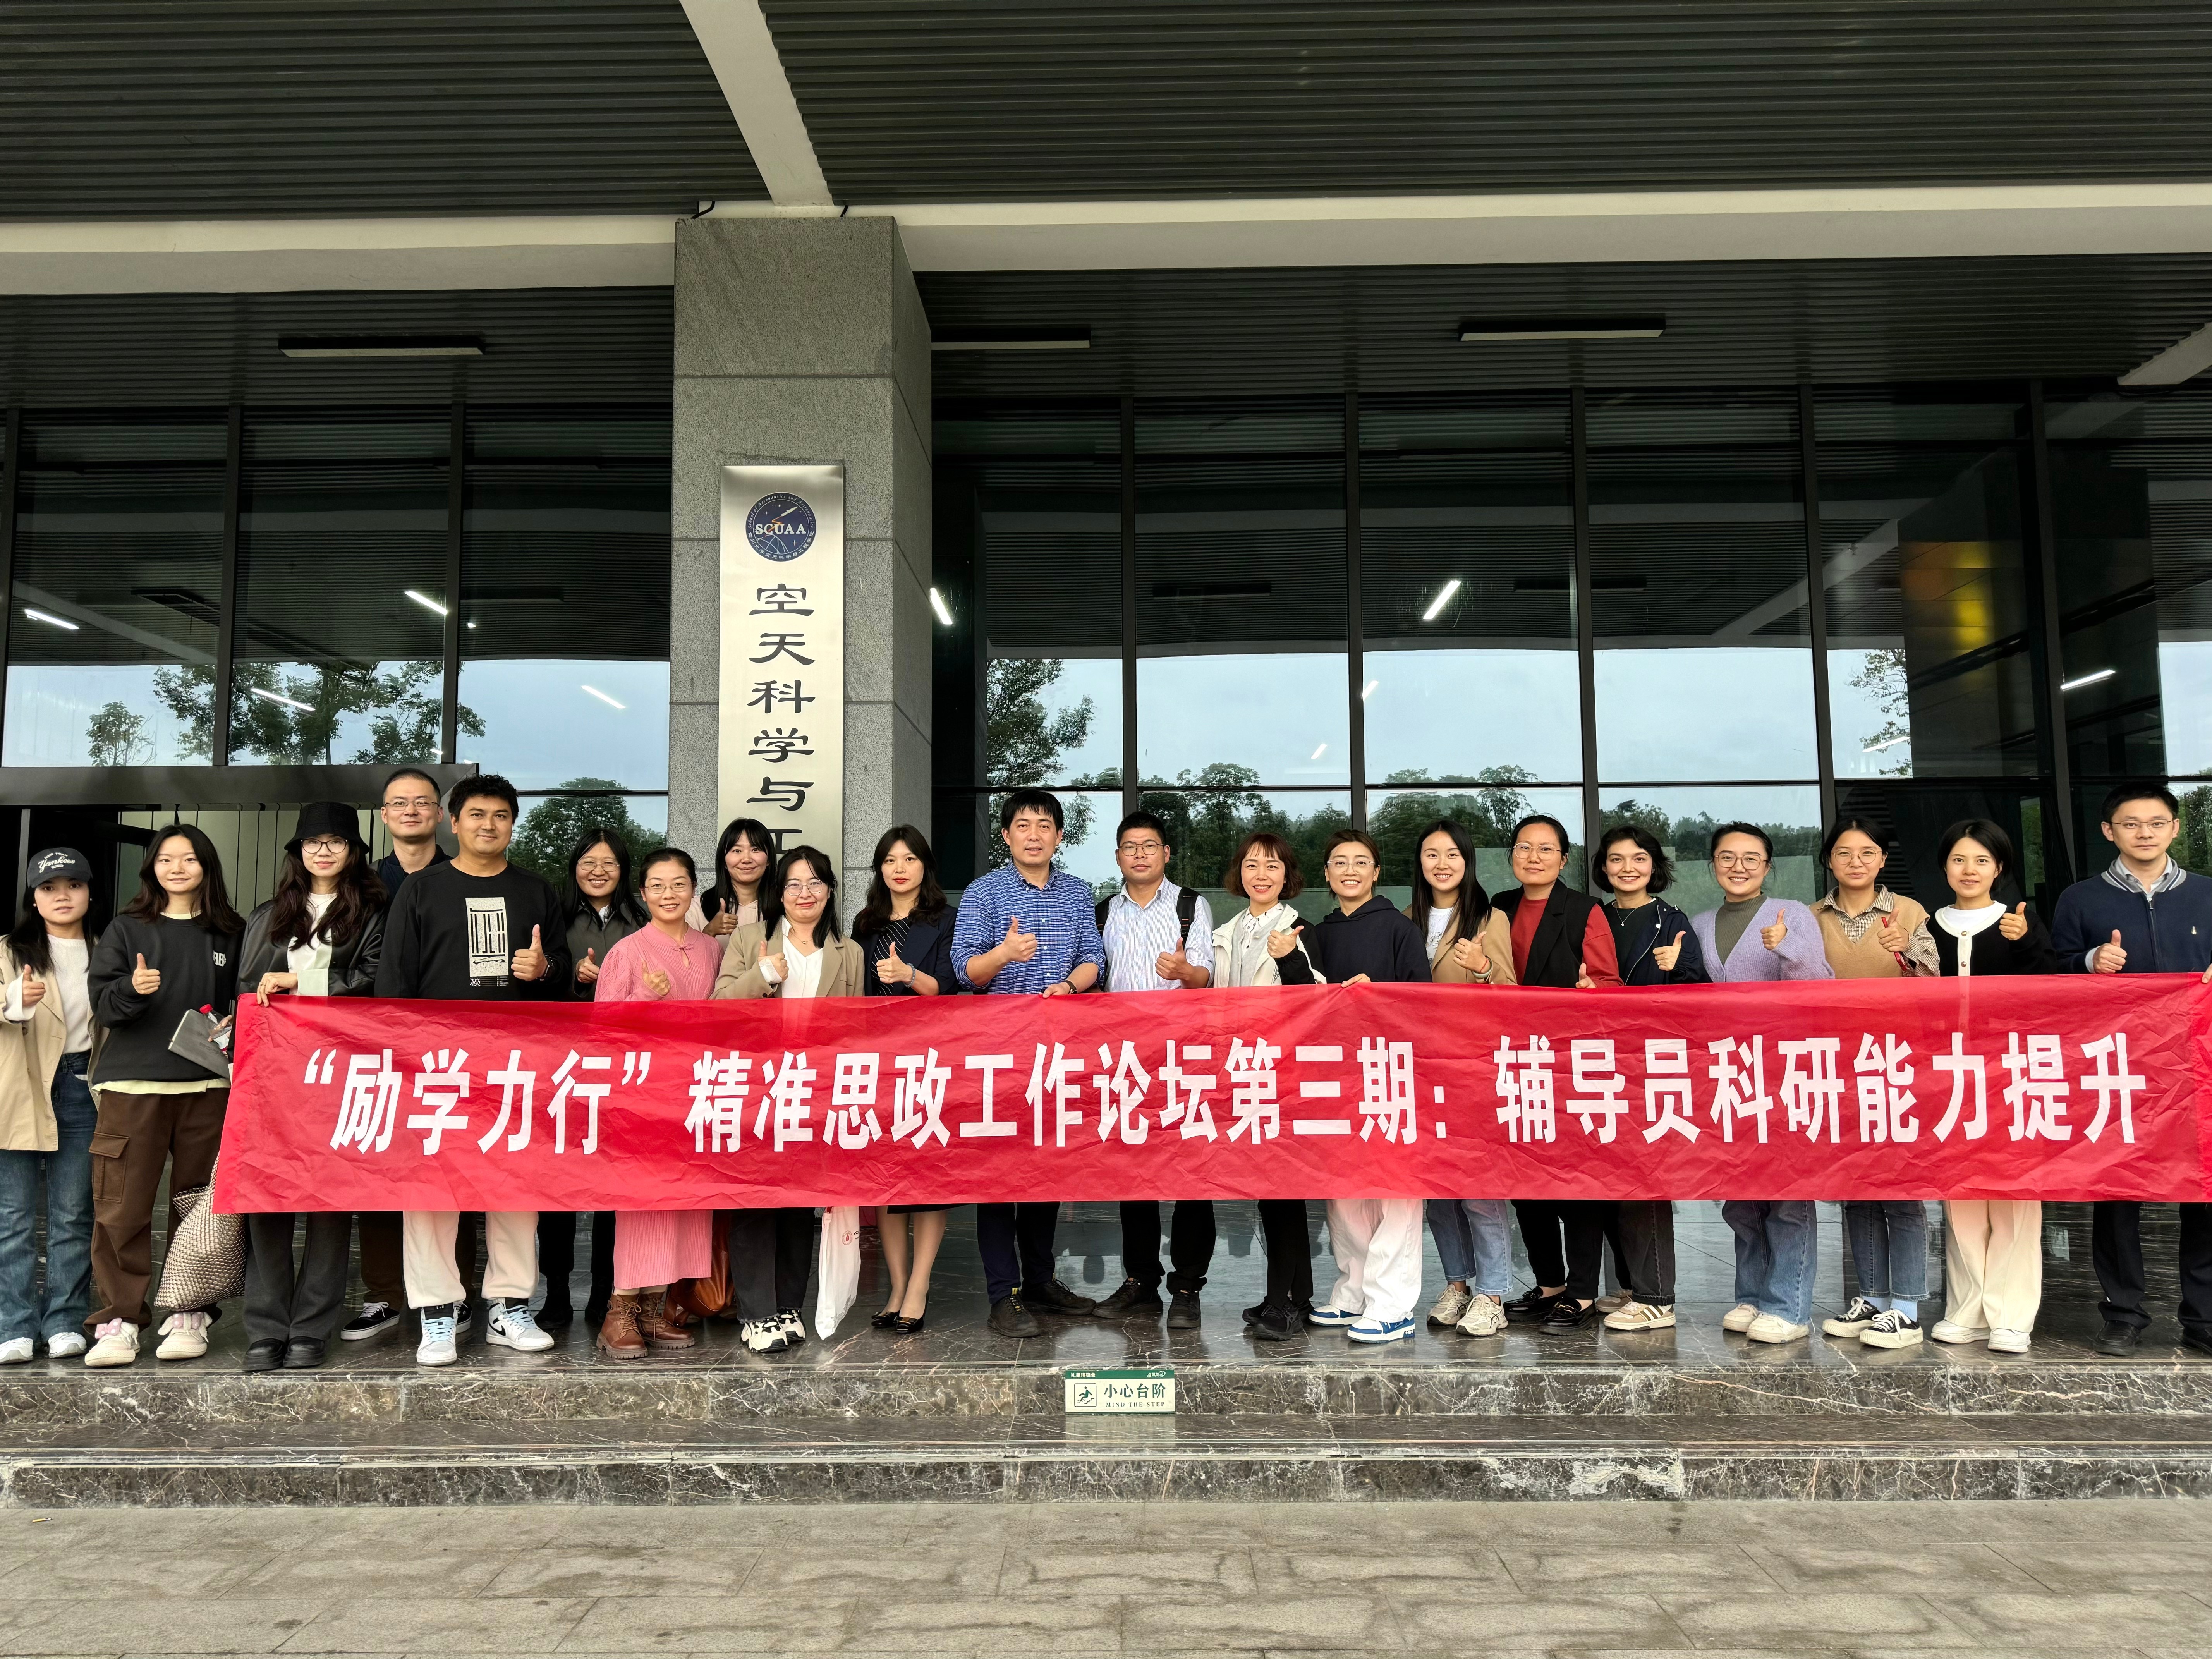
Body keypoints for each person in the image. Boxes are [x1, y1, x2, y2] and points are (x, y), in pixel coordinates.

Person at [376, 774, 568, 1367]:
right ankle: (437, 1311)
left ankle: (510, 1306)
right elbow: (395, 983)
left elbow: (561, 978)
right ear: (453, 823)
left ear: (513, 825)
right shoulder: (421, 890)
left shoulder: (536, 891)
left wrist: (543, 970)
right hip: (437, 1067)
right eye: (477, 815)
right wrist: (403, 1063)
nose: (489, 825)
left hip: (514, 1066)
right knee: (432, 1190)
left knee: (515, 1187)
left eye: (502, 815)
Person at [2049, 783, 2212, 1358]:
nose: (2145, 833)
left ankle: (2203, 1317)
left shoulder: (2207, 894)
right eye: (2131, 823)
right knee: (2118, 1192)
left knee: (2203, 1188)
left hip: (2196, 1065)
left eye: (2156, 822)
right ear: (2108, 831)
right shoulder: (2081, 899)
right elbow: (2052, 973)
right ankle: (2123, 1314)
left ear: (2174, 828)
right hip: (2117, 1066)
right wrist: (2089, 962)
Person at [82, 824, 243, 1367]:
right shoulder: (126, 929)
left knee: (198, 1205)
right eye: (166, 859)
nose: (177, 868)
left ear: (207, 867)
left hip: (208, 1086)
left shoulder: (231, 931)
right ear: (151, 867)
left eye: (189, 859)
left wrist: (234, 1023)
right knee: (122, 1207)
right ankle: (120, 1319)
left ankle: (189, 1312)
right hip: (134, 1086)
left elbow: (246, 1002)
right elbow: (104, 1007)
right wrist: (133, 989)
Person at [234, 802, 386, 1372]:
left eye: (336, 842)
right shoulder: (268, 915)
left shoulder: (374, 912)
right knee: (266, 1199)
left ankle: (311, 1327)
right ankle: (266, 1327)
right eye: (312, 842)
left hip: (342, 1072)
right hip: (274, 1075)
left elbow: (376, 979)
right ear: (297, 852)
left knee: (330, 1200)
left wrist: (302, 981)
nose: (323, 851)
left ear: (354, 851)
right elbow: (246, 989)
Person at [950, 788, 1106, 1339]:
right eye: (1023, 825)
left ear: (1059, 836)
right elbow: (966, 970)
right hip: (999, 1052)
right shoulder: (984, 892)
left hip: (1060, 1049)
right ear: (1006, 835)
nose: (1034, 834)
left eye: (1044, 825)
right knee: (998, 1176)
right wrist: (1004, 954)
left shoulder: (1078, 891)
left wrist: (1069, 986)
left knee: (1047, 1169)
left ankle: (1040, 1281)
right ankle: (1004, 1294)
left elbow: (1094, 957)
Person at [1278, 828, 1428, 1345]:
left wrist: (1380, 994)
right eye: (1339, 862)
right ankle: (1354, 1292)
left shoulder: (1400, 929)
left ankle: (1393, 1306)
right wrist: (1289, 960)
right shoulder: (1315, 932)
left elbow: (1425, 1002)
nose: (1350, 870)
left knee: (1395, 1191)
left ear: (1376, 872)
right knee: (1343, 1189)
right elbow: (1303, 1002)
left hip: (1391, 1071)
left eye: (1361, 862)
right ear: (1326, 873)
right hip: (1334, 1074)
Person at [715, 844, 863, 1355]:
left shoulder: (849, 951)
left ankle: (787, 1307)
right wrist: (763, 976)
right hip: (757, 1089)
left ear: (830, 891)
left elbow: (858, 1032)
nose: (805, 893)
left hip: (815, 1092)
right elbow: (718, 1007)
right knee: (757, 1201)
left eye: (815, 883)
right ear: (779, 893)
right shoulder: (749, 939)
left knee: (800, 1204)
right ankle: (756, 1313)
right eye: (794, 884)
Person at [1694, 822, 1833, 1347]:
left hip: (1784, 1071)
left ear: (1768, 866)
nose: (1739, 867)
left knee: (1787, 1192)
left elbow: (1820, 988)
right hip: (1728, 1074)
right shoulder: (1700, 924)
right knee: (1740, 1195)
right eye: (1727, 857)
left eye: (1751, 858)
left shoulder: (1791, 914)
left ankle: (1789, 1306)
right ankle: (1751, 1294)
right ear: (1713, 865)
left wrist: (1789, 948)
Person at [1808, 816, 1939, 1352]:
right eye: (1844, 852)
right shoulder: (1810, 917)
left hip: (1897, 1064)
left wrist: (1906, 949)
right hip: (1836, 1065)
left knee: (1901, 1189)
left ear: (1883, 859)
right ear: (1830, 860)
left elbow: (1932, 982)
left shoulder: (1909, 911)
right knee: (1856, 1188)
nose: (1856, 861)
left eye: (1867, 852)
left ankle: (1906, 1309)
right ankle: (1873, 1297)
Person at [1926, 818, 2056, 1356]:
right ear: (1945, 867)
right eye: (1959, 860)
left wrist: (2026, 944)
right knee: (1960, 1194)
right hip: (1948, 1077)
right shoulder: (1927, 925)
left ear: (1999, 868)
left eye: (1982, 861)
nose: (1970, 870)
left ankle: (2011, 1315)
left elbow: (2049, 989)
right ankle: (1966, 1309)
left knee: (2014, 1194)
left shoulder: (2020, 920)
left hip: (2011, 1074)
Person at [1490, 814, 1621, 1332]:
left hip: (1569, 1060)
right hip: (1513, 1058)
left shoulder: (1585, 910)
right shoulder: (1498, 906)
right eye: (1525, 847)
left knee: (1577, 1179)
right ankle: (1550, 1284)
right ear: (1512, 856)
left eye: (1546, 849)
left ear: (1564, 860)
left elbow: (1608, 983)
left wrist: (1593, 992)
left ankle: (1584, 1292)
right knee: (1525, 1178)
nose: (1534, 857)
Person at [1092, 811, 1218, 1331]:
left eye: (1149, 846)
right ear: (1118, 856)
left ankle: (1187, 1286)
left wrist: (1186, 972)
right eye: (1130, 847)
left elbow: (1207, 976)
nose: (1140, 854)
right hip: (1125, 1061)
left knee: (1193, 1173)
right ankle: (1141, 1282)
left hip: (1183, 1057)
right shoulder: (1104, 911)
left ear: (1166, 854)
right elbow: (1093, 978)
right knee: (1134, 1173)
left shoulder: (1190, 905)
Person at [592, 848, 720, 1359]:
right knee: (643, 1204)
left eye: (679, 884)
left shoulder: (711, 950)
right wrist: (645, 999)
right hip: (643, 1099)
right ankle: (619, 1311)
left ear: (693, 889)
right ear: (643, 894)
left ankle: (653, 1309)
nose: (670, 894)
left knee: (685, 1205)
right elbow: (602, 1032)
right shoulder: (627, 952)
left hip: (697, 1094)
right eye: (659, 886)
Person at [1589, 824, 1709, 1336]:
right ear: (1604, 868)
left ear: (1654, 866)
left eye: (1639, 858)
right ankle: (1630, 1288)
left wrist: (1679, 966)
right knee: (1609, 1183)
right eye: (1617, 859)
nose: (1627, 868)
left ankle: (1657, 1297)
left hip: (1649, 1065)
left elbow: (1701, 996)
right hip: (1599, 1063)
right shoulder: (1594, 918)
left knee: (1645, 1183)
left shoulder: (1672, 920)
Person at [350, 765, 452, 1343]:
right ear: (384, 815)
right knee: (382, 1169)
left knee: (450, 1171)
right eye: (400, 803)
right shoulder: (362, 884)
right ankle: (385, 1293)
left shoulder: (462, 875)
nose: (412, 811)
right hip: (375, 1048)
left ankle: (454, 1294)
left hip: (446, 1053)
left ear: (441, 814)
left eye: (422, 802)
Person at [1404, 820, 1516, 1343]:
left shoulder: (1491, 919)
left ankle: (1493, 1294)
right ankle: (1457, 1284)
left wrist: (1483, 965)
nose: (1442, 864)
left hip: (1473, 1069)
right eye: (1432, 854)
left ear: (1468, 861)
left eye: (1452, 854)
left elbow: (1512, 994)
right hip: (1420, 1072)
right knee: (1439, 1191)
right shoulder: (1406, 919)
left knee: (1477, 1187)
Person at [850, 826, 960, 1334]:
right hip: (878, 1062)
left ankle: (920, 1285)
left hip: (929, 1058)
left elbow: (950, 987)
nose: (900, 868)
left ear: (924, 866)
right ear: (880, 869)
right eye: (891, 860)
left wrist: (908, 975)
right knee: (887, 1178)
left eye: (910, 859)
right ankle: (896, 1286)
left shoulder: (946, 919)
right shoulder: (866, 924)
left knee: (929, 1179)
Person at [537, 827, 645, 1334]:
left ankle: (605, 1292)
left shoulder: (642, 921)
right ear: (574, 867)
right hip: (562, 1067)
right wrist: (568, 978)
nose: (598, 871)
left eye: (610, 863)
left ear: (624, 870)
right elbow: (533, 983)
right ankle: (556, 1291)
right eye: (588, 862)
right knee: (556, 1186)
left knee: (614, 1190)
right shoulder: (553, 918)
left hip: (623, 1071)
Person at [1214, 831, 1319, 1343]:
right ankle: (1298, 1296)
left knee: (1282, 1190)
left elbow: (1314, 998)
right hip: (1239, 1070)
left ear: (1287, 876)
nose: (1261, 874)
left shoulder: (1298, 928)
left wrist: (1290, 957)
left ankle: (1284, 1302)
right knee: (1269, 1190)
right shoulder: (1227, 930)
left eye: (1273, 866)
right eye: (1252, 865)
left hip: (1280, 1072)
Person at [0, 848, 101, 1365]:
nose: (62, 896)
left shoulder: (108, 950)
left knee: (73, 1214)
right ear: (34, 899)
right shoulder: (8, 951)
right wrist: (14, 1001)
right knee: (13, 1216)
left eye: (73, 885)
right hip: (18, 1086)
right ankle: (14, 1325)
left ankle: (64, 1320)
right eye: (49, 887)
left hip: (83, 1085)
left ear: (89, 893)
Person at [693, 816, 775, 938]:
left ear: (769, 860)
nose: (746, 859)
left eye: (755, 849)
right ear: (724, 862)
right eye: (737, 851)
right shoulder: (697, 908)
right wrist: (710, 931)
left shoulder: (785, 907)